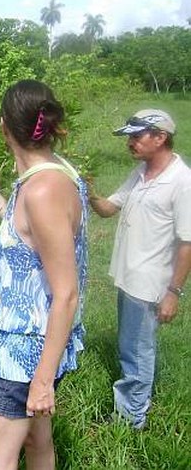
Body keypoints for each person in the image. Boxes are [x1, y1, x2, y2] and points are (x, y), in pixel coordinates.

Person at [0, 80, 88, 469]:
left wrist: (43, 380)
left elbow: (66, 293)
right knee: (36, 441)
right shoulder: (54, 174)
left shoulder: (41, 190)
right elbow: (33, 244)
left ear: (3, 126)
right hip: (39, 343)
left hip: (24, 353)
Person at [88, 109, 191, 430]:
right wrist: (88, 192)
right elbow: (108, 209)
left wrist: (173, 292)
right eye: (129, 136)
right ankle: (132, 410)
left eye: (137, 136)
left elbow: (188, 243)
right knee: (130, 345)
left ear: (160, 138)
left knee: (137, 350)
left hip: (150, 283)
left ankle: (131, 419)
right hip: (129, 277)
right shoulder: (142, 173)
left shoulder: (182, 182)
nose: (130, 142)